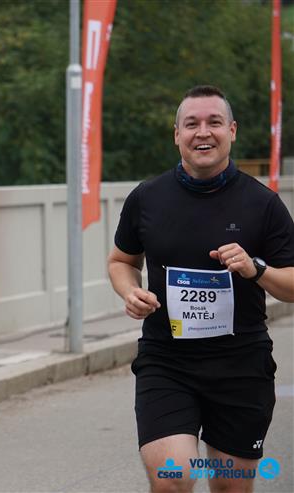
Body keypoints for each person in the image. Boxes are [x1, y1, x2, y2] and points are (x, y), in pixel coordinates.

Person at [107, 85, 294, 493]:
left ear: (232, 130)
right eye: (191, 124)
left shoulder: (263, 204)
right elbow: (121, 261)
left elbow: (292, 285)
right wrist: (129, 291)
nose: (203, 132)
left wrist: (256, 268)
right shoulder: (147, 198)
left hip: (241, 365)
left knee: (230, 485)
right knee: (172, 477)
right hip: (167, 362)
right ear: (177, 134)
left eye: (214, 123)